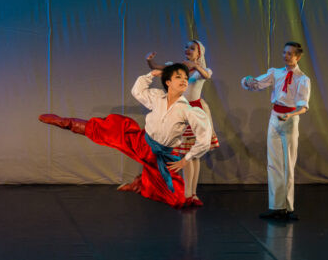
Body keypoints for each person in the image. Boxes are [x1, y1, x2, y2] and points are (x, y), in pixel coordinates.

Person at [39, 63, 212, 208]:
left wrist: (186, 158)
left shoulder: (188, 109)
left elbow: (204, 137)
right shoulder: (157, 97)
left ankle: (141, 184)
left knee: (178, 201)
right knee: (109, 130)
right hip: (142, 142)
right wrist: (150, 74)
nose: (183, 80)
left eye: (185, 77)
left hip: (164, 155)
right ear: (168, 82)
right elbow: (137, 91)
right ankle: (65, 122)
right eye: (178, 77)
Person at [143, 40, 219, 206]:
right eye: (186, 47)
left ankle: (193, 193)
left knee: (195, 155)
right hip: (180, 110)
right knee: (185, 154)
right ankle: (187, 194)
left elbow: (206, 75)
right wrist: (150, 61)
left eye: (192, 48)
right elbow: (157, 67)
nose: (188, 50)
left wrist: (194, 65)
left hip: (195, 111)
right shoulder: (177, 67)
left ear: (199, 53)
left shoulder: (201, 70)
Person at [241, 41, 311, 220]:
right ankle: (276, 207)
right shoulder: (276, 72)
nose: (286, 56)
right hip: (275, 117)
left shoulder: (303, 79)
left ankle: (288, 207)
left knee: (288, 164)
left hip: (289, 119)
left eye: (290, 53)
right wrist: (249, 81)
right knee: (273, 163)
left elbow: (303, 106)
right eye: (284, 52)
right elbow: (258, 83)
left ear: (298, 56)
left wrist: (291, 115)